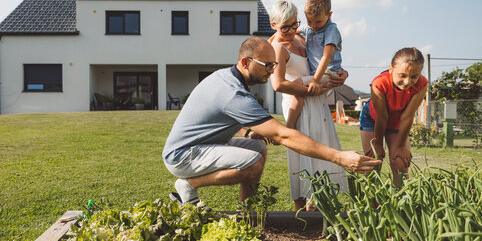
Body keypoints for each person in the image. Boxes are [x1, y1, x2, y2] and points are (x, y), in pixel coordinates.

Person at [162, 36, 381, 207]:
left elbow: (221, 118)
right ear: (245, 62)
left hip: (200, 146)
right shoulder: (233, 93)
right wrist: (340, 157)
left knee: (257, 147)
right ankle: (188, 185)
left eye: (274, 65)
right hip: (182, 155)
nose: (273, 71)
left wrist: (249, 133)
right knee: (252, 161)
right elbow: (283, 135)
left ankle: (245, 210)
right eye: (267, 65)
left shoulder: (227, 79)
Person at [269, 1, 348, 211]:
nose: (291, 30)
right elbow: (277, 84)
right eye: (285, 27)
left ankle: (321, 202)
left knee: (321, 149)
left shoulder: (301, 37)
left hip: (317, 102)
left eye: (295, 24)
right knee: (302, 154)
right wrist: (309, 87)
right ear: (273, 25)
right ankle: (301, 206)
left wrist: (342, 73)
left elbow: (321, 62)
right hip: (300, 102)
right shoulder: (278, 48)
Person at [360, 47, 428, 187]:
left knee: (400, 162)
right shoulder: (379, 83)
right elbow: (382, 117)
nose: (407, 81)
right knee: (374, 160)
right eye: (402, 75)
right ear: (391, 69)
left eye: (414, 76)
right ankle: (373, 205)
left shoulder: (422, 84)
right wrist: (378, 144)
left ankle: (400, 203)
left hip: (398, 119)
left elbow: (407, 117)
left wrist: (402, 145)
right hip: (374, 118)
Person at [284, 0, 345, 129]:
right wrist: (273, 40)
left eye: (318, 21)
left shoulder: (331, 30)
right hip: (317, 74)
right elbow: (292, 31)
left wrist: (315, 80)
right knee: (301, 94)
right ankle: (297, 125)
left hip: (329, 73)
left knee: (296, 85)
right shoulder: (308, 28)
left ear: (329, 15)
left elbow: (326, 56)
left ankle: (289, 126)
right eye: (309, 20)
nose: (313, 25)